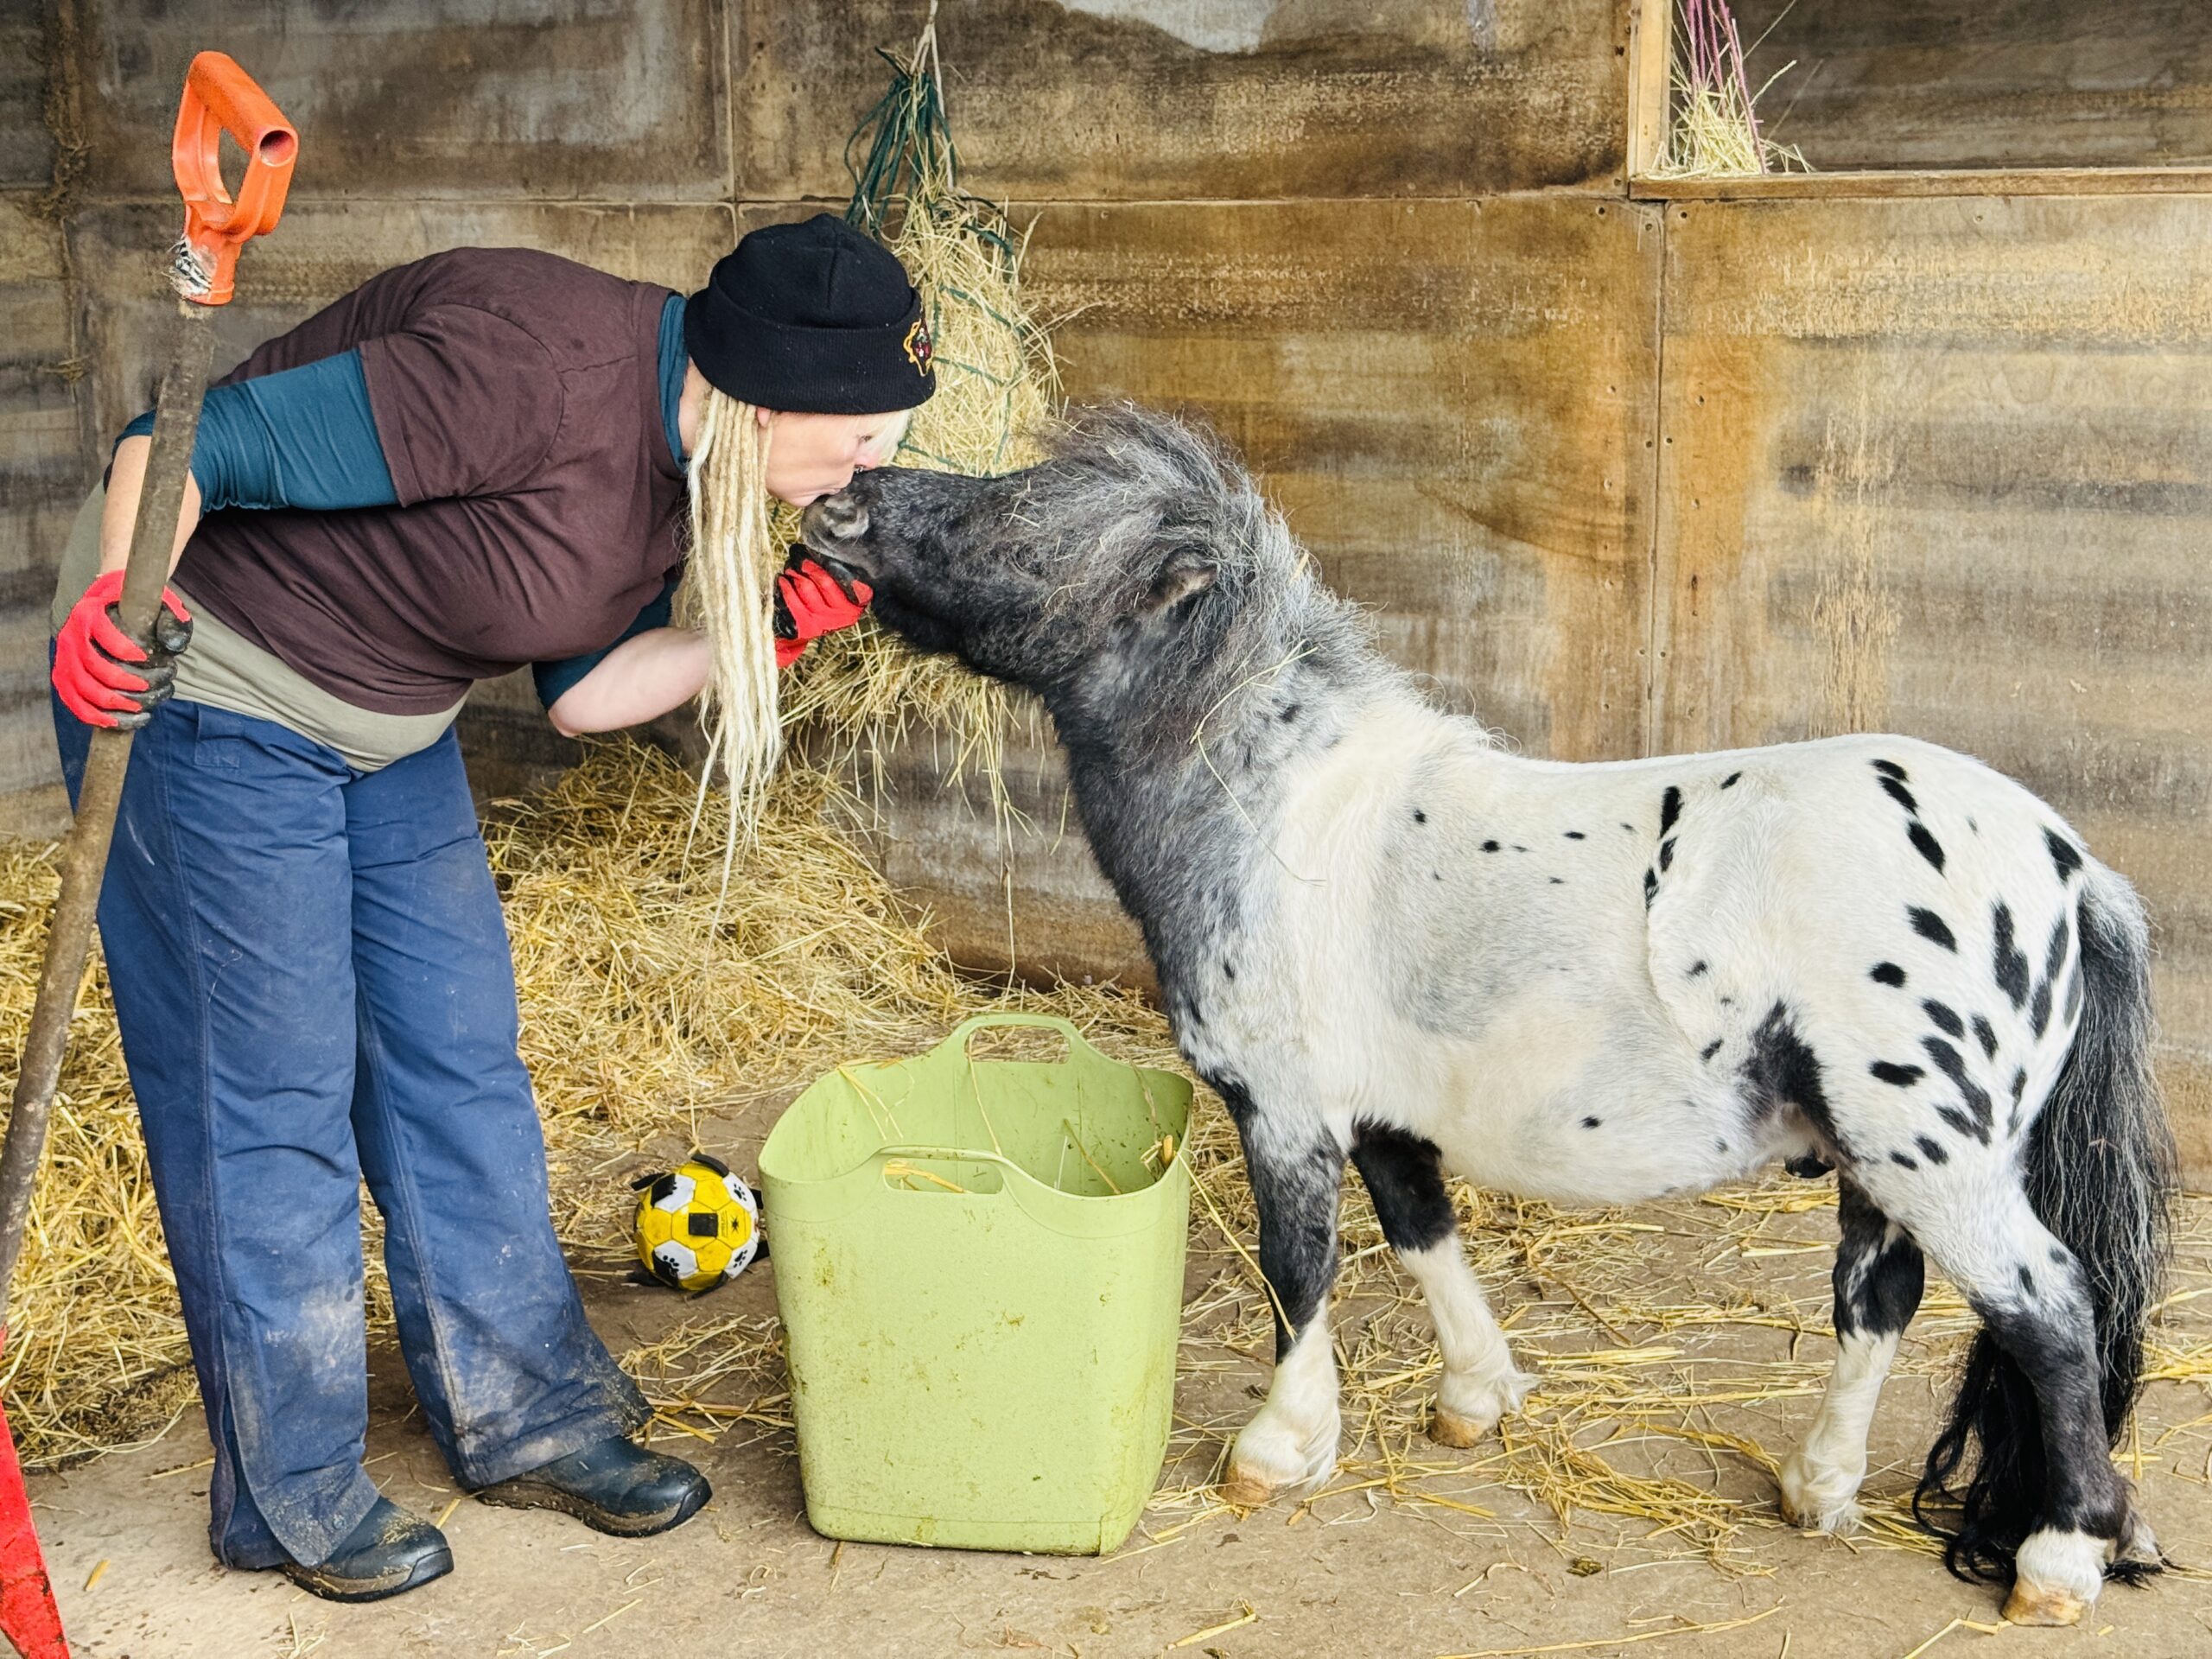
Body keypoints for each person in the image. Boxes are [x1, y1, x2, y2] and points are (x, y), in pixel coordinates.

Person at [48, 214, 931, 1602]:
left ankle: (526, 1415)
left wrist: (766, 626)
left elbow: (582, 696)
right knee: (267, 1094)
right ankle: (292, 1492)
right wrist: (114, 600)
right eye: (867, 437)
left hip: (389, 723)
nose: (877, 467)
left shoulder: (690, 467)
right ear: (772, 395)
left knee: (455, 1060)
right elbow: (176, 451)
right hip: (210, 687)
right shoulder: (524, 371)